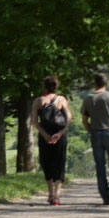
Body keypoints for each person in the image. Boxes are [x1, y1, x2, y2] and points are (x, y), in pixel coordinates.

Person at [79, 71, 109, 205]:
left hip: (96, 133)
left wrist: (90, 130)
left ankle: (105, 197)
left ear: (95, 84)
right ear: (107, 83)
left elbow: (84, 120)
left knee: (100, 166)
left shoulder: (88, 98)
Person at [32, 74, 73, 206]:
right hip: (59, 137)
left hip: (45, 137)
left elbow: (34, 122)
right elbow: (69, 118)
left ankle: (50, 194)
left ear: (45, 86)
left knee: (46, 163)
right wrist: (60, 133)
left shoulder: (38, 101)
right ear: (56, 87)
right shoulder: (62, 100)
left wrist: (44, 135)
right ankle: (57, 196)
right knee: (59, 164)